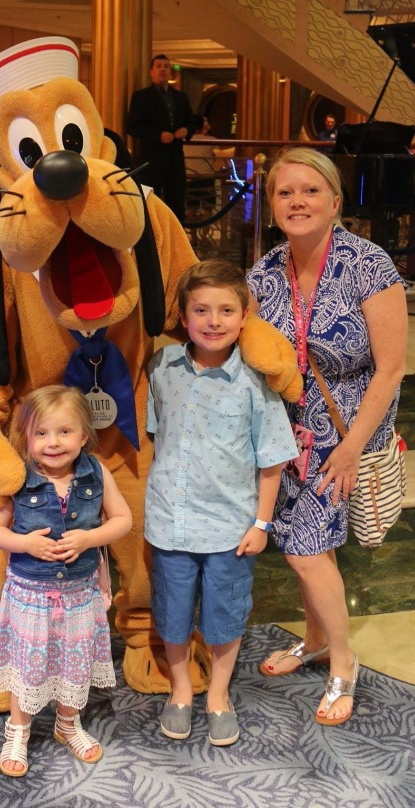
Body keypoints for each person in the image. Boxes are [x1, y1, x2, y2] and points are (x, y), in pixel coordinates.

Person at [247, 147, 407, 726]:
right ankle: (314, 638)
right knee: (300, 549)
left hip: (347, 427)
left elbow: (390, 369)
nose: (298, 201)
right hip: (285, 433)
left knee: (308, 551)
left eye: (310, 190)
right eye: (285, 192)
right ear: (271, 205)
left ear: (336, 200)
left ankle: (343, 663)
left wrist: (350, 446)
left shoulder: (369, 263)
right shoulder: (264, 272)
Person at [145, 260, 298, 746]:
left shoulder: (256, 383)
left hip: (231, 530)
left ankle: (218, 694)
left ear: (244, 315)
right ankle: (182, 691)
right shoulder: (162, 369)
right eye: (202, 310)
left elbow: (271, 461)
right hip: (170, 521)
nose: (214, 321)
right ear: (184, 316)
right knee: (171, 612)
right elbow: (154, 436)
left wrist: (261, 523)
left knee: (225, 614)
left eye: (226, 310)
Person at [0, 385, 132, 777]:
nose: (53, 443)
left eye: (65, 432)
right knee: (27, 664)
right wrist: (25, 543)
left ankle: (68, 723)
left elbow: (122, 520)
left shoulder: (95, 472)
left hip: (79, 593)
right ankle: (19, 727)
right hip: (31, 594)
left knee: (74, 662)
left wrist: (90, 537)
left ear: (84, 435)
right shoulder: (19, 476)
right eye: (42, 434)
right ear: (27, 439)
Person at [127, 54, 195, 223]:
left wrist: (186, 130)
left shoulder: (181, 97)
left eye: (166, 66)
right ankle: (151, 245)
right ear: (151, 72)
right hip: (151, 161)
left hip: (175, 161)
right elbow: (132, 127)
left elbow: (192, 121)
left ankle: (177, 245)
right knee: (149, 204)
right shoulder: (141, 96)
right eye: (159, 66)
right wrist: (158, 135)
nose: (163, 69)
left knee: (177, 205)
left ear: (170, 71)